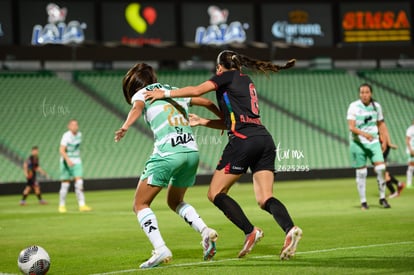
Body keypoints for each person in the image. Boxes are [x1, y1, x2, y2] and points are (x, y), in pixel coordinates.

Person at [144, 50, 303, 261]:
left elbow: (197, 90)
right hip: (264, 139)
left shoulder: (225, 76)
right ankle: (290, 229)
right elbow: (233, 121)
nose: (216, 70)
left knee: (215, 193)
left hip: (243, 141)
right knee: (265, 198)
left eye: (216, 67)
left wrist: (163, 94)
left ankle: (250, 231)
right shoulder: (247, 81)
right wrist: (203, 122)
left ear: (220, 67)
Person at [114, 63, 222, 268]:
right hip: (191, 153)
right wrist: (223, 119)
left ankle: (160, 248)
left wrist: (125, 126)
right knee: (175, 201)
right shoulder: (173, 91)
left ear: (133, 85)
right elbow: (207, 102)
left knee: (140, 204)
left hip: (168, 153)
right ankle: (205, 231)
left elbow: (137, 108)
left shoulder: (142, 93)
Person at [347, 83, 391, 210]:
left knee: (381, 168)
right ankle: (363, 201)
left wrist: (384, 140)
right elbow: (351, 127)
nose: (364, 95)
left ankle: (382, 198)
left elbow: (381, 124)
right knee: (362, 172)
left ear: (371, 93)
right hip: (358, 143)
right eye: (362, 92)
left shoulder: (376, 107)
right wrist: (365, 134)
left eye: (366, 92)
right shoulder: (353, 106)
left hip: (374, 142)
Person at [58, 119, 92, 213]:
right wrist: (68, 160)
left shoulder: (79, 135)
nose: (75, 126)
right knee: (65, 185)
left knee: (79, 183)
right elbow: (61, 150)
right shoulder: (66, 136)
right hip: (66, 162)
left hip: (77, 161)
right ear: (69, 126)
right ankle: (61, 205)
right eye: (72, 125)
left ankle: (82, 205)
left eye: (76, 125)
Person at [406, 119, 414, 189]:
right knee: (411, 166)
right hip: (412, 150)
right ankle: (409, 183)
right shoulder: (410, 129)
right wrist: (411, 149)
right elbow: (407, 140)